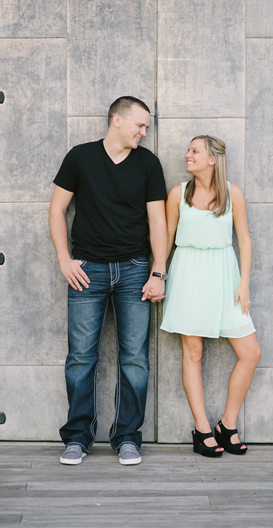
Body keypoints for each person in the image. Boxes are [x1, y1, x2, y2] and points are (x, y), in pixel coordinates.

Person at [50, 96, 168, 466]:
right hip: (88, 270)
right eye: (140, 125)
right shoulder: (80, 157)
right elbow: (57, 209)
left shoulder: (148, 164)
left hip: (135, 269)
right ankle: (78, 437)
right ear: (117, 120)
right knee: (81, 357)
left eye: (146, 127)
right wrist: (64, 259)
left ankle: (127, 437)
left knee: (135, 358)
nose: (144, 132)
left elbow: (158, 222)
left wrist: (159, 271)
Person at [160, 135, 261, 457]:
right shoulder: (178, 194)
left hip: (225, 274)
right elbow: (165, 240)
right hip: (188, 274)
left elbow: (243, 240)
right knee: (193, 352)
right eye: (188, 149)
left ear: (212, 159)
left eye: (194, 151)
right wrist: (157, 275)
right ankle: (203, 429)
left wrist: (243, 282)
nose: (187, 155)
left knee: (251, 352)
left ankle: (227, 425)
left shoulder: (233, 194)